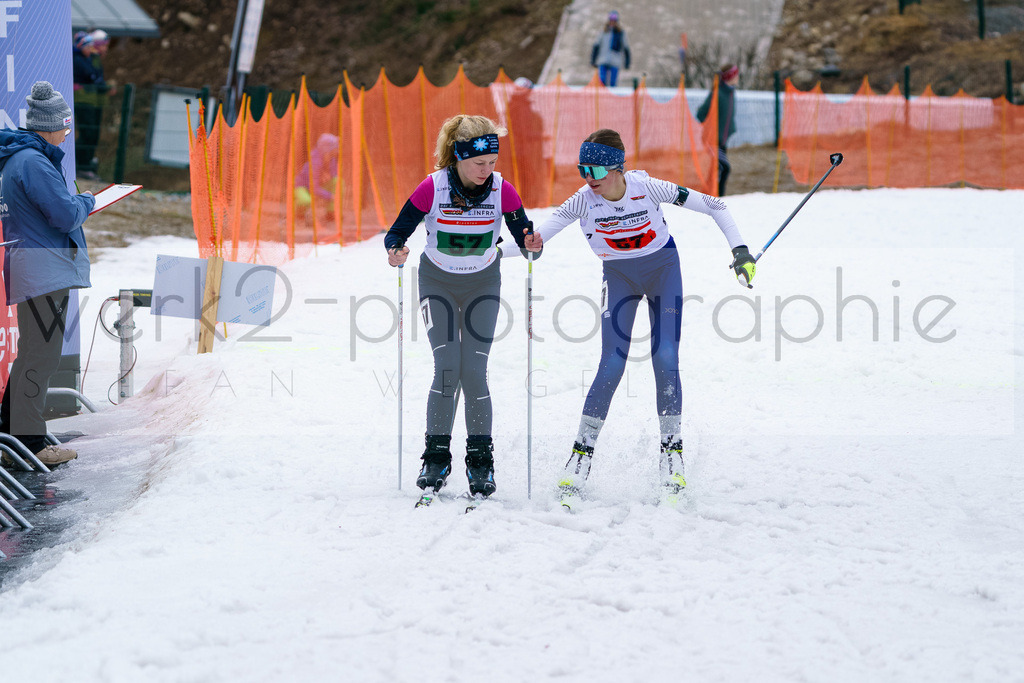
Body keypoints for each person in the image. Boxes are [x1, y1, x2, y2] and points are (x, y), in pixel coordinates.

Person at [521, 129, 755, 502]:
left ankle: (672, 451)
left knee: (665, 357)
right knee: (612, 363)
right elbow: (534, 244)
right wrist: (495, 253)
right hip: (619, 278)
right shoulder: (582, 202)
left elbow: (716, 205)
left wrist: (740, 250)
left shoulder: (648, 187)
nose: (588, 179)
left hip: (663, 271)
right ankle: (581, 454)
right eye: (583, 169)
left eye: (595, 170)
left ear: (617, 168)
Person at [384, 115, 540, 499]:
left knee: (473, 370)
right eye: (478, 164)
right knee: (447, 366)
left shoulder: (503, 190)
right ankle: (436, 457)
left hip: (483, 283)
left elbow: (526, 237)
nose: (487, 171)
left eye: (491, 163)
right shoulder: (432, 187)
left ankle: (480, 460)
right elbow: (397, 232)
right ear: (458, 158)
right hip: (437, 283)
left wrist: (532, 244)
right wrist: (396, 251)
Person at [0, 81, 96, 466]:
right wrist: (87, 200)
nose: (67, 134)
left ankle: (11, 434)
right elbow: (64, 215)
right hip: (43, 269)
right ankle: (32, 443)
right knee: (42, 357)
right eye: (66, 127)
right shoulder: (34, 162)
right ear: (49, 125)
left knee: (31, 355)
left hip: (32, 265)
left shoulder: (21, 158)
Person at [72, 29, 113, 180]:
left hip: (93, 101)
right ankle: (79, 163)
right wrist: (102, 87)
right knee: (87, 133)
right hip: (85, 101)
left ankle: (85, 163)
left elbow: (96, 77)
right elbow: (93, 76)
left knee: (92, 134)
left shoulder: (90, 58)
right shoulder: (82, 59)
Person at [697, 64, 739, 196]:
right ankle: (718, 198)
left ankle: (710, 196)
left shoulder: (730, 93)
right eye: (736, 74)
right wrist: (711, 128)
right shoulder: (718, 93)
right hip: (713, 140)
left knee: (715, 169)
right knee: (724, 168)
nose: (738, 77)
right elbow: (701, 114)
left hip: (722, 140)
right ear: (730, 77)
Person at [590, 11, 631, 87]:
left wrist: (627, 62)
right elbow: (596, 45)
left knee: (613, 82)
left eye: (614, 21)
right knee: (602, 81)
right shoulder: (603, 32)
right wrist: (593, 60)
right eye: (611, 20)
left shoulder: (620, 33)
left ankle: (611, 96)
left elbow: (626, 48)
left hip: (615, 60)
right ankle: (602, 96)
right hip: (603, 59)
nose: (612, 22)